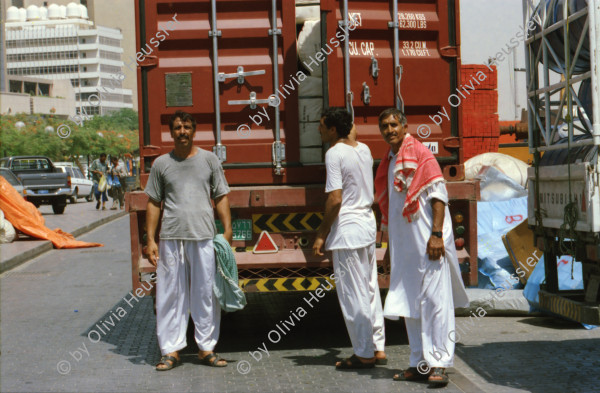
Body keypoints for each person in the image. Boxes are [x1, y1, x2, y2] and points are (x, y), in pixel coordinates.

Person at [374, 108, 469, 386]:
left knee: (435, 304)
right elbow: (393, 211)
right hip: (405, 250)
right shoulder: (390, 161)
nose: (389, 130)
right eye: (384, 126)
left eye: (393, 125)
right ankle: (419, 363)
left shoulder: (421, 155)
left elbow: (439, 196)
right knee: (409, 304)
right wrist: (390, 248)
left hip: (430, 247)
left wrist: (437, 234)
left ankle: (439, 363)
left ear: (404, 127)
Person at [145, 110, 232, 371]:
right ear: (171, 133)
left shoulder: (210, 160)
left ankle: (206, 349)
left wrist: (226, 231)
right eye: (177, 128)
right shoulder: (161, 164)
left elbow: (221, 196)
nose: (182, 132)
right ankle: (171, 351)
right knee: (170, 295)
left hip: (204, 237)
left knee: (205, 293)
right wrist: (150, 239)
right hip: (171, 238)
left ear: (194, 131)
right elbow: (153, 203)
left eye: (186, 127)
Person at [312, 107, 386, 369]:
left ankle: (363, 353)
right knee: (369, 290)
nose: (318, 129)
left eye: (322, 125)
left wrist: (321, 234)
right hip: (367, 227)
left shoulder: (333, 154)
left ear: (333, 130)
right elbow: (351, 131)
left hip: (347, 230)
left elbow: (335, 198)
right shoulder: (363, 149)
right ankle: (377, 348)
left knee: (352, 295)